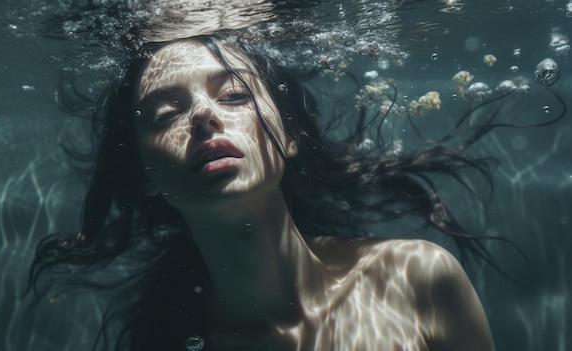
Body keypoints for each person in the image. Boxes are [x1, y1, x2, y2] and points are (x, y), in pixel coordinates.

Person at [29, 32, 498, 351]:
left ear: (290, 135)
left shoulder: (415, 278)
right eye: (166, 113)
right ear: (143, 176)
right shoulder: (170, 339)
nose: (203, 117)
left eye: (234, 96)